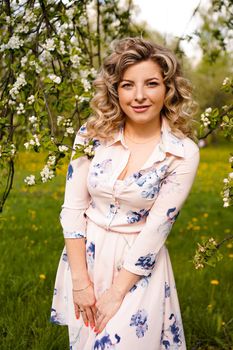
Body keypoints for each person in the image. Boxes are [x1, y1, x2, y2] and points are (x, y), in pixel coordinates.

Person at [50, 37, 200, 350]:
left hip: (137, 268)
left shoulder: (181, 153)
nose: (140, 96)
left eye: (152, 83)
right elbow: (73, 209)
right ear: (115, 90)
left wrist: (117, 291)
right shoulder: (91, 135)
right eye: (128, 85)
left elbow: (157, 228)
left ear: (168, 89)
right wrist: (80, 281)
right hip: (85, 261)